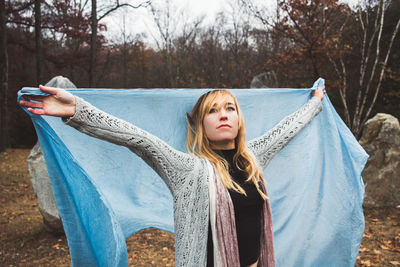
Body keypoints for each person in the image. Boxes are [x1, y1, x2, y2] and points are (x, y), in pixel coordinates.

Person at [20, 85, 324, 267]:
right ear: (200, 124)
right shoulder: (187, 170)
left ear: (238, 119)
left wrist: (314, 103)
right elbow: (139, 140)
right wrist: (78, 110)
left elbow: (287, 130)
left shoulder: (252, 158)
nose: (223, 114)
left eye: (230, 108)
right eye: (212, 110)